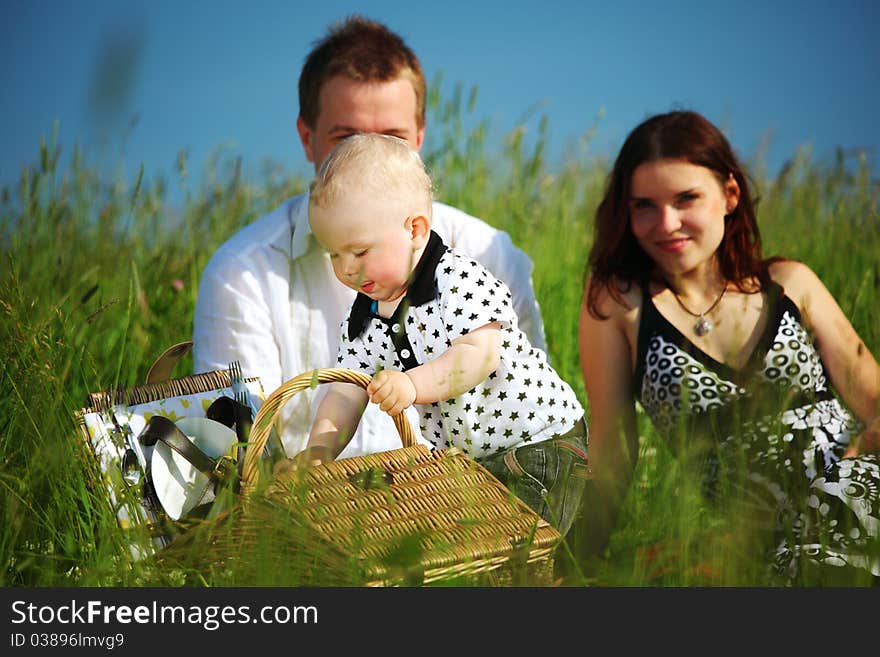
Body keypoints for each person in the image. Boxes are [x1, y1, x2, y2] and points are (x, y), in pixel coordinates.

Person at [192, 16, 546, 460]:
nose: (368, 154)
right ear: (307, 138)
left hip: (469, 507)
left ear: (419, 138)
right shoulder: (242, 274)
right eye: (346, 137)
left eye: (393, 138)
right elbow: (243, 449)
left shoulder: (485, 253)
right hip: (313, 517)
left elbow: (523, 410)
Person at [578, 110, 880, 582]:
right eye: (644, 206)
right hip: (759, 537)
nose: (667, 223)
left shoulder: (789, 284)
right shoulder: (620, 304)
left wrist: (848, 471)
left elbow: (876, 402)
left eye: (686, 199)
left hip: (856, 489)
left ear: (729, 195)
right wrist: (579, 561)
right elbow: (613, 451)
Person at [293, 133, 589, 536]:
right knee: (475, 552)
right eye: (333, 254)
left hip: (537, 442)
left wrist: (412, 385)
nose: (346, 268)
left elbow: (478, 355)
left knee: (522, 552)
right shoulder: (364, 317)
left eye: (359, 252)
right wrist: (319, 449)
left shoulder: (455, 278)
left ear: (415, 230)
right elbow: (347, 391)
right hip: (473, 459)